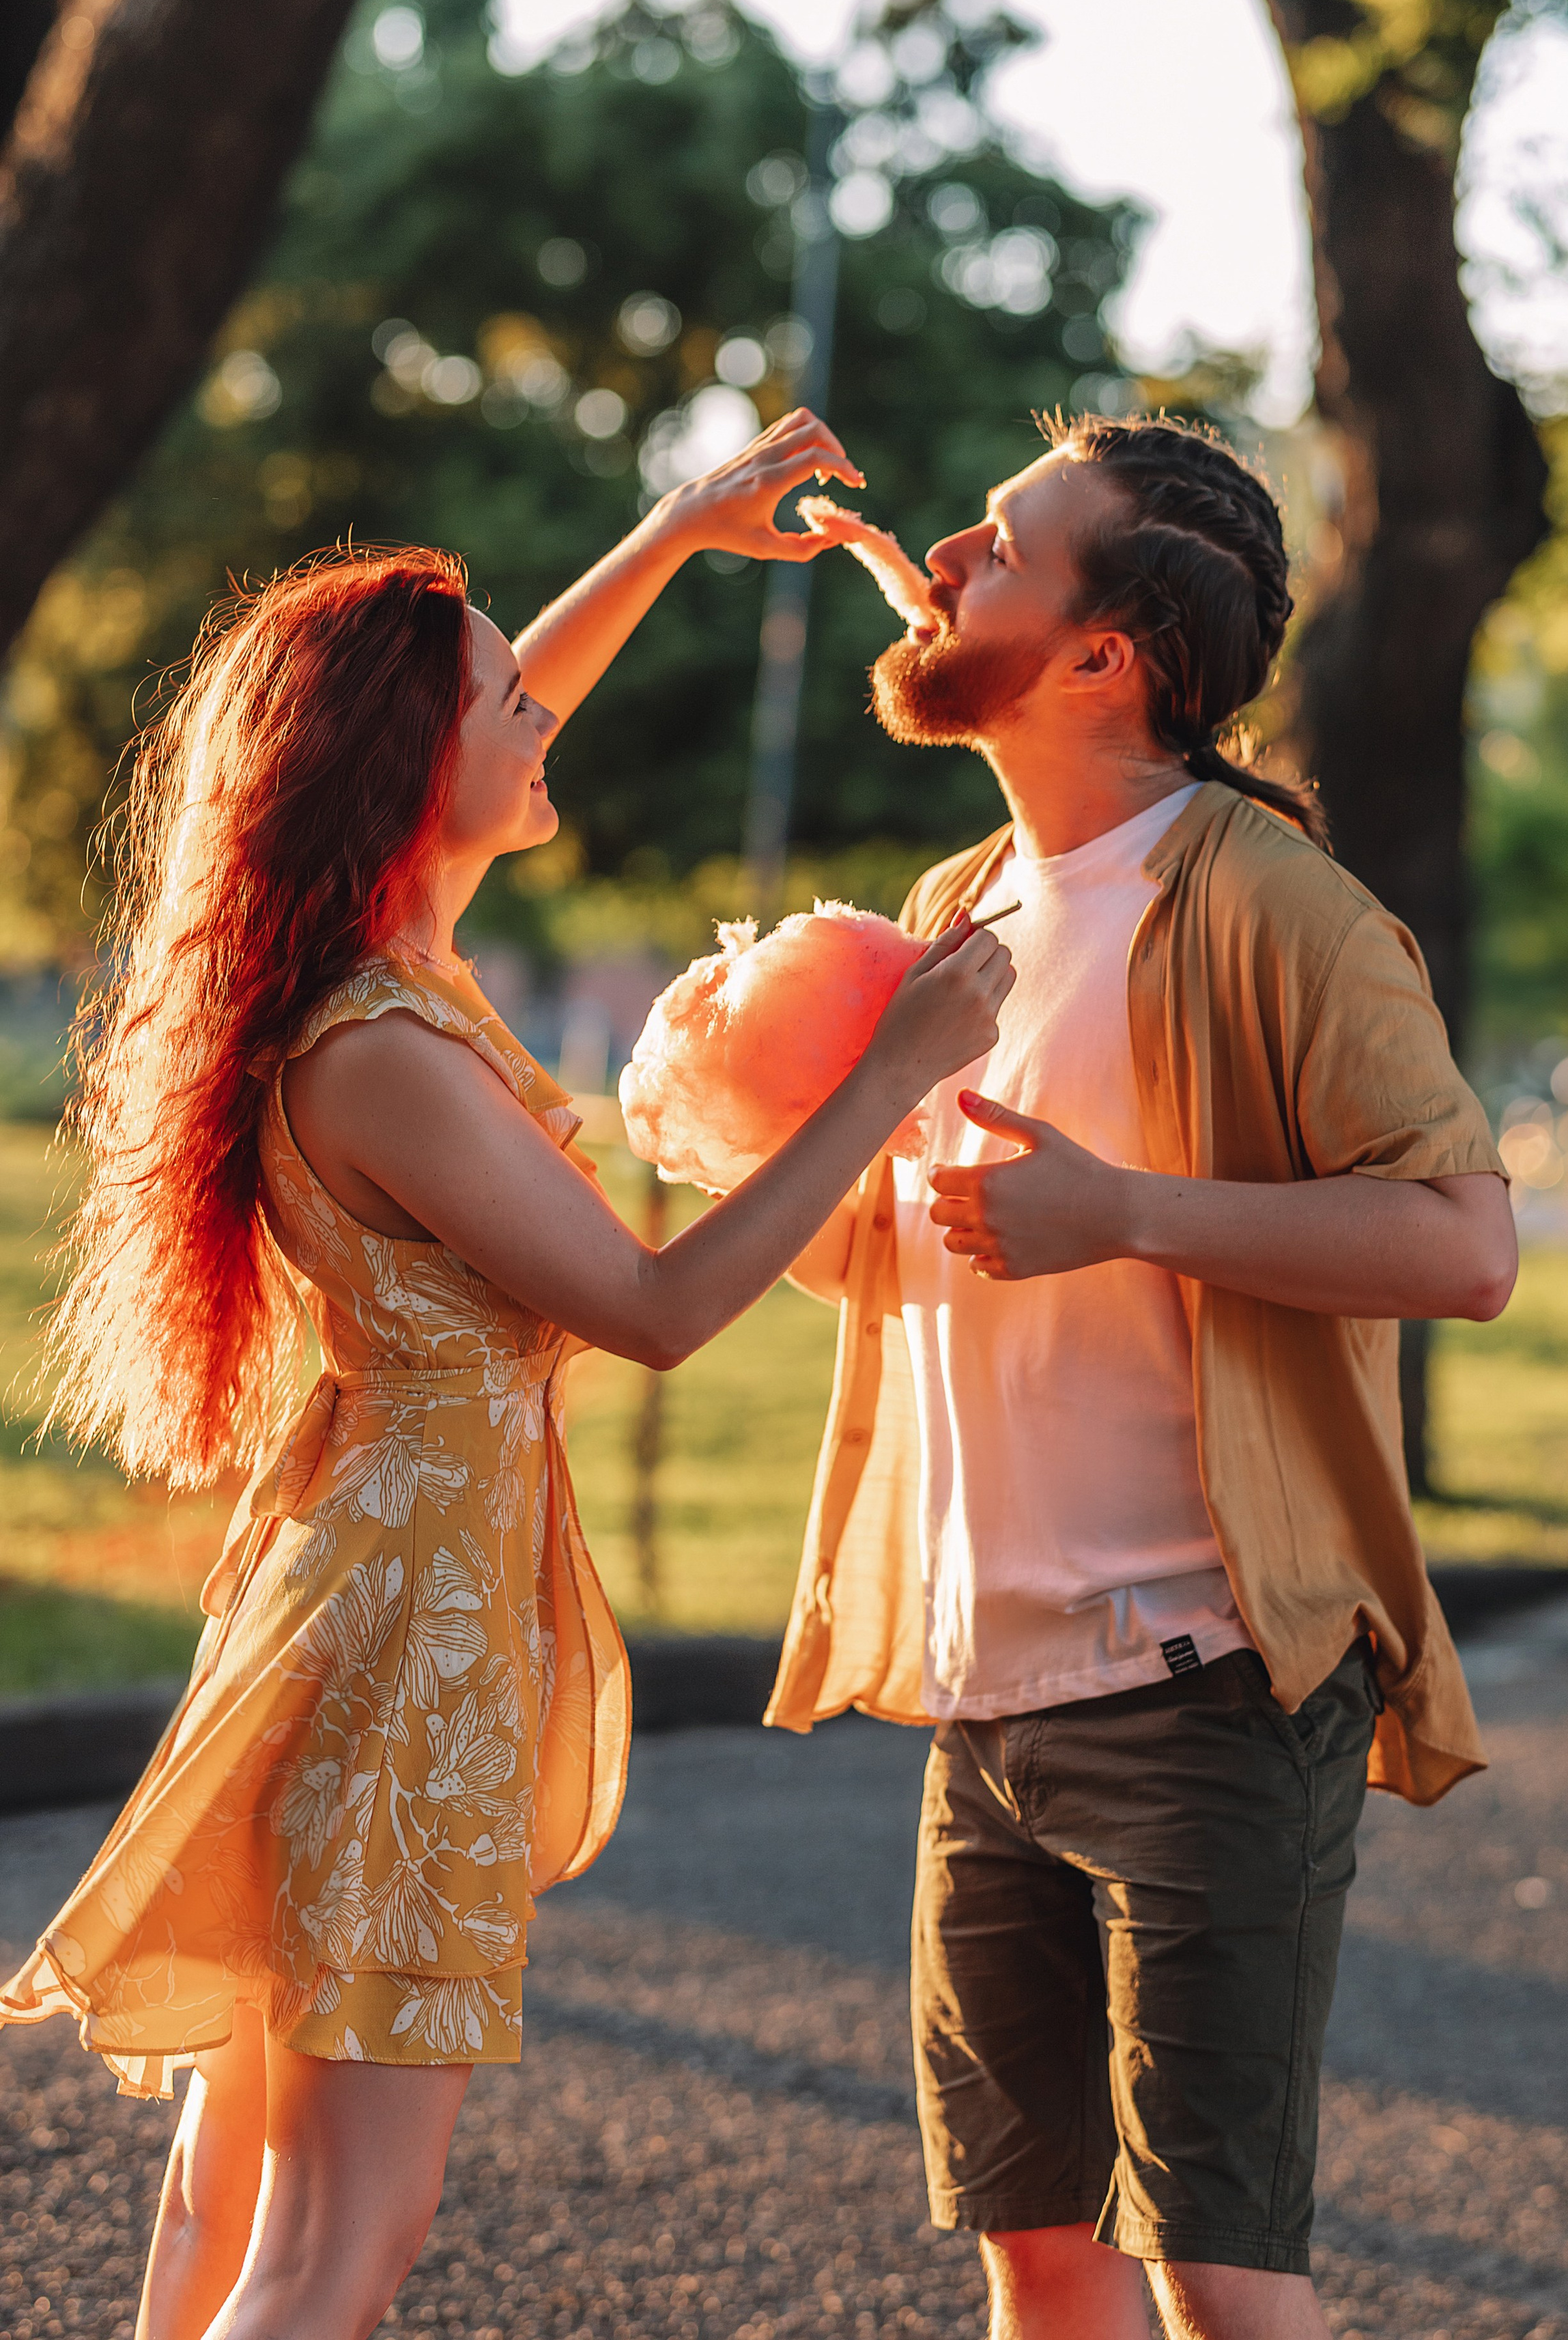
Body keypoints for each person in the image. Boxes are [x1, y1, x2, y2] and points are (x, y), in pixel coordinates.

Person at [0, 412, 1013, 2340]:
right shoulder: (381, 1047)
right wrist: (886, 1077)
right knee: (334, 2244)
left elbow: (518, 679)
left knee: (234, 2206)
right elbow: (647, 1307)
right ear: (407, 765)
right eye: (500, 704)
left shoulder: (386, 970)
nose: (540, 714)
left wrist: (674, 534)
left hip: (365, 1593)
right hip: (407, 1656)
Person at [774, 412, 1518, 2340]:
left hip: (1202, 1679)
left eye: (1003, 548)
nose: (943, 553)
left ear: (1108, 657)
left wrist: (1130, 1211)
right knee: (1038, 2251)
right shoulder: (953, 913)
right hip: (986, 1690)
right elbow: (927, 1256)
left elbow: (1465, 1243)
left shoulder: (1283, 909)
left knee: (1222, 2282)